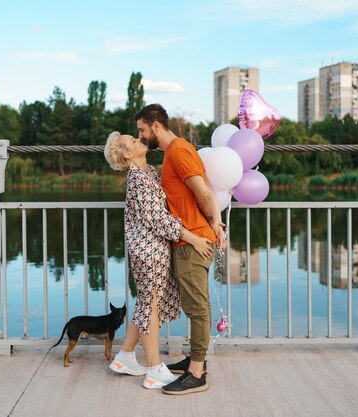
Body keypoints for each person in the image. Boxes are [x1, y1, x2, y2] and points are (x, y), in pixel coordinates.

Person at [104, 131, 214, 390]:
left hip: (156, 249)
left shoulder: (150, 172)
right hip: (147, 251)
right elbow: (159, 219)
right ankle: (154, 369)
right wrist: (194, 238)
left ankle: (125, 356)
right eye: (132, 141)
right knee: (149, 304)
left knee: (146, 301)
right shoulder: (138, 180)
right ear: (128, 155)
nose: (138, 140)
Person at [133, 103, 226, 395]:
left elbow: (204, 192)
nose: (141, 135)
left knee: (198, 309)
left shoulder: (178, 151)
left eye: (142, 129)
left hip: (192, 242)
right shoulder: (178, 151)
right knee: (194, 306)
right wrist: (217, 224)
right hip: (188, 240)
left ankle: (197, 373)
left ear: (155, 126)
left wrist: (214, 224)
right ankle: (194, 362)